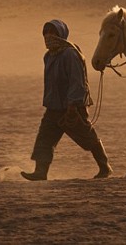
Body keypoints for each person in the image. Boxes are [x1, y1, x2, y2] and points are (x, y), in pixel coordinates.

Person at [21, 19, 113, 181]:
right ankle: (40, 172)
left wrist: (73, 105)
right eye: (46, 34)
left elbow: (77, 82)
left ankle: (105, 167)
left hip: (73, 107)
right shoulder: (48, 56)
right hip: (53, 107)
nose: (48, 37)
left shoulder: (70, 54)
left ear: (61, 35)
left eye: (52, 33)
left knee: (87, 137)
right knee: (44, 139)